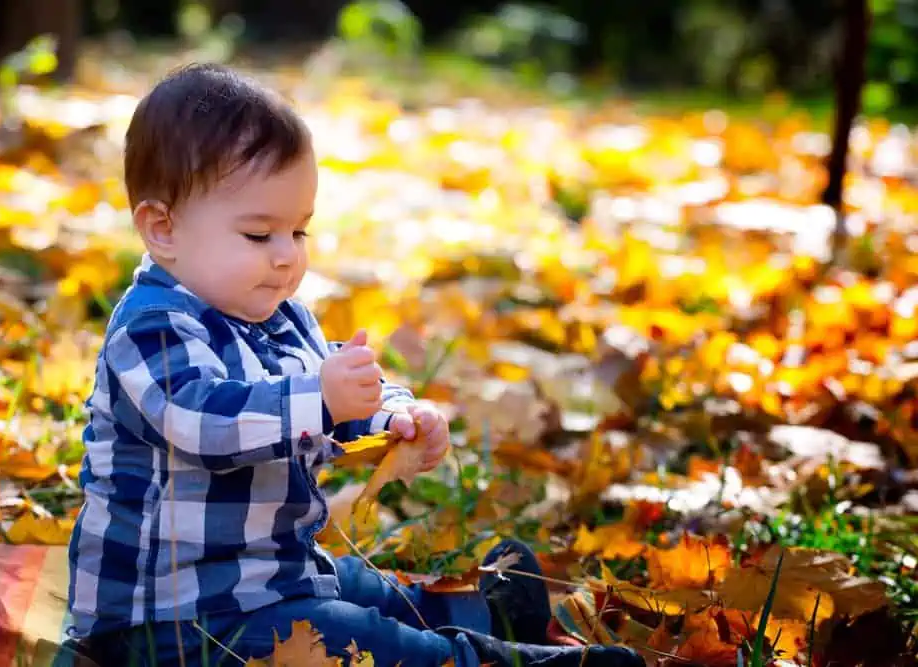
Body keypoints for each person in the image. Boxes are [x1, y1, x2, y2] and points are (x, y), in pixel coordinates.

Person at [66, 62, 645, 667]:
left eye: (300, 231)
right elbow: (205, 422)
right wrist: (321, 397)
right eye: (260, 236)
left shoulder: (280, 315)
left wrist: (390, 415)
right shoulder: (150, 329)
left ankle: (474, 609)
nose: (287, 257)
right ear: (163, 230)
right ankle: (475, 658)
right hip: (175, 616)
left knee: (360, 592)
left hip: (275, 572)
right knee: (353, 638)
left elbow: (337, 382)